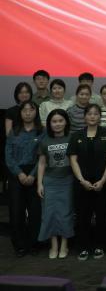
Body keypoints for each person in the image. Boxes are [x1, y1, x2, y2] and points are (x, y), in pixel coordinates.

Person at [68, 104, 106, 260]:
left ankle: (100, 245)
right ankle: (83, 247)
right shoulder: (76, 136)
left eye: (95, 114)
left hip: (101, 183)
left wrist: (103, 180)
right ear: (84, 116)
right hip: (82, 183)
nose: (92, 116)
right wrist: (81, 180)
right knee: (82, 216)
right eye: (89, 113)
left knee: (101, 215)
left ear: (100, 116)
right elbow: (73, 160)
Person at [5, 101, 43, 257]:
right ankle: (19, 245)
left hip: (35, 173)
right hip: (16, 173)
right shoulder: (14, 131)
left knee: (35, 212)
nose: (28, 113)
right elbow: (8, 156)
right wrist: (19, 173)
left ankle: (34, 244)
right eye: (24, 110)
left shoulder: (41, 131)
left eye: (31, 110)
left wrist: (33, 174)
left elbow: (42, 157)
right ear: (20, 113)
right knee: (16, 211)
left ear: (36, 112)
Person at [37, 108, 73, 259]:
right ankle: (54, 245)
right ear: (49, 124)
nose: (57, 124)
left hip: (68, 181)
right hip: (50, 182)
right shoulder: (45, 141)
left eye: (60, 121)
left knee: (65, 213)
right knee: (49, 214)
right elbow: (41, 164)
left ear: (66, 122)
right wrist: (39, 184)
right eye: (54, 121)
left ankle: (64, 244)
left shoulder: (72, 138)